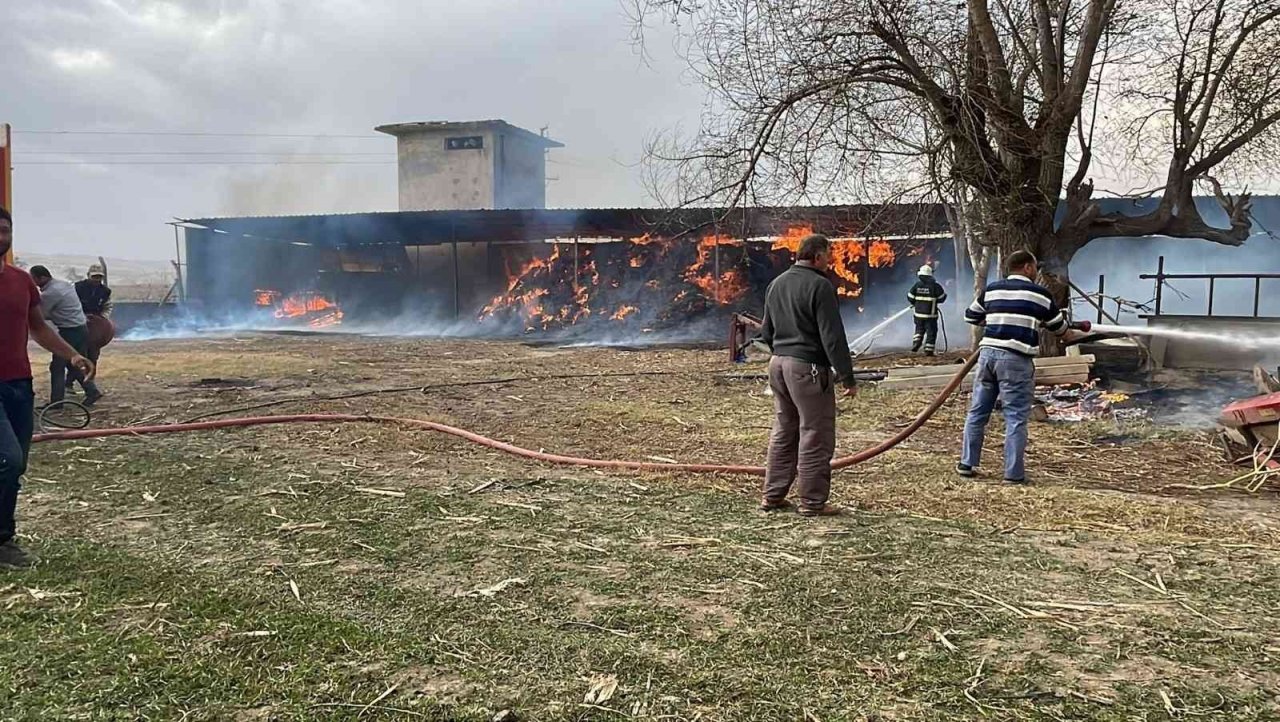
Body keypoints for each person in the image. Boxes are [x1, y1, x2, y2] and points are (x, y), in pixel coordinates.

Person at [0, 207, 95, 569]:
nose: (1, 237)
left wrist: (72, 356)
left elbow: (38, 328)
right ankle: (3, 540)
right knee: (6, 460)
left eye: (5, 230)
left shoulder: (22, 281)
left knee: (17, 463)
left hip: (18, 385)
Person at [757, 233, 857, 517]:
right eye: (828, 255)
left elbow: (766, 333)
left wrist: (784, 353)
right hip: (808, 368)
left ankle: (772, 496)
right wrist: (847, 377)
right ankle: (812, 502)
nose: (830, 260)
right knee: (815, 433)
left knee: (784, 430)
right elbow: (833, 336)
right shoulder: (820, 286)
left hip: (777, 365)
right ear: (816, 256)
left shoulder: (776, 284)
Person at [958, 250, 1076, 485]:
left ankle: (966, 464)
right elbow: (1060, 328)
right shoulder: (1040, 294)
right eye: (1034, 266)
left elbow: (971, 315)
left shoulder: (992, 289)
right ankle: (1013, 474)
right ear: (1026, 268)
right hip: (1015, 360)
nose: (1036, 271)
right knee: (1016, 417)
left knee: (978, 412)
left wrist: (994, 319)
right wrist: (1072, 332)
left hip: (987, 357)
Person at [30, 266, 103, 406]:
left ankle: (57, 403)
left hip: (70, 331)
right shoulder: (63, 284)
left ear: (42, 278)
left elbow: (40, 315)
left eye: (33, 279)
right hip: (81, 328)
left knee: (57, 367)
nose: (32, 282)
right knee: (75, 363)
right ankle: (92, 391)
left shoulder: (50, 293)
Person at [73, 263, 112, 394]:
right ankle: (69, 383)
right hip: (78, 322)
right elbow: (71, 304)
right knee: (77, 354)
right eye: (94, 277)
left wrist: (102, 319)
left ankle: (90, 381)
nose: (97, 280)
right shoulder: (78, 288)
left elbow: (107, 307)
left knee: (93, 355)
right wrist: (80, 317)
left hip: (95, 325)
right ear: (88, 275)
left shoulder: (105, 291)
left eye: (99, 277)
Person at [907, 264, 947, 355]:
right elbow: (942, 298)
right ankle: (928, 350)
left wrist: (915, 303)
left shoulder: (917, 285)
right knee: (931, 332)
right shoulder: (935, 286)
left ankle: (916, 343)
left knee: (919, 330)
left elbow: (910, 297)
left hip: (918, 315)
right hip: (930, 315)